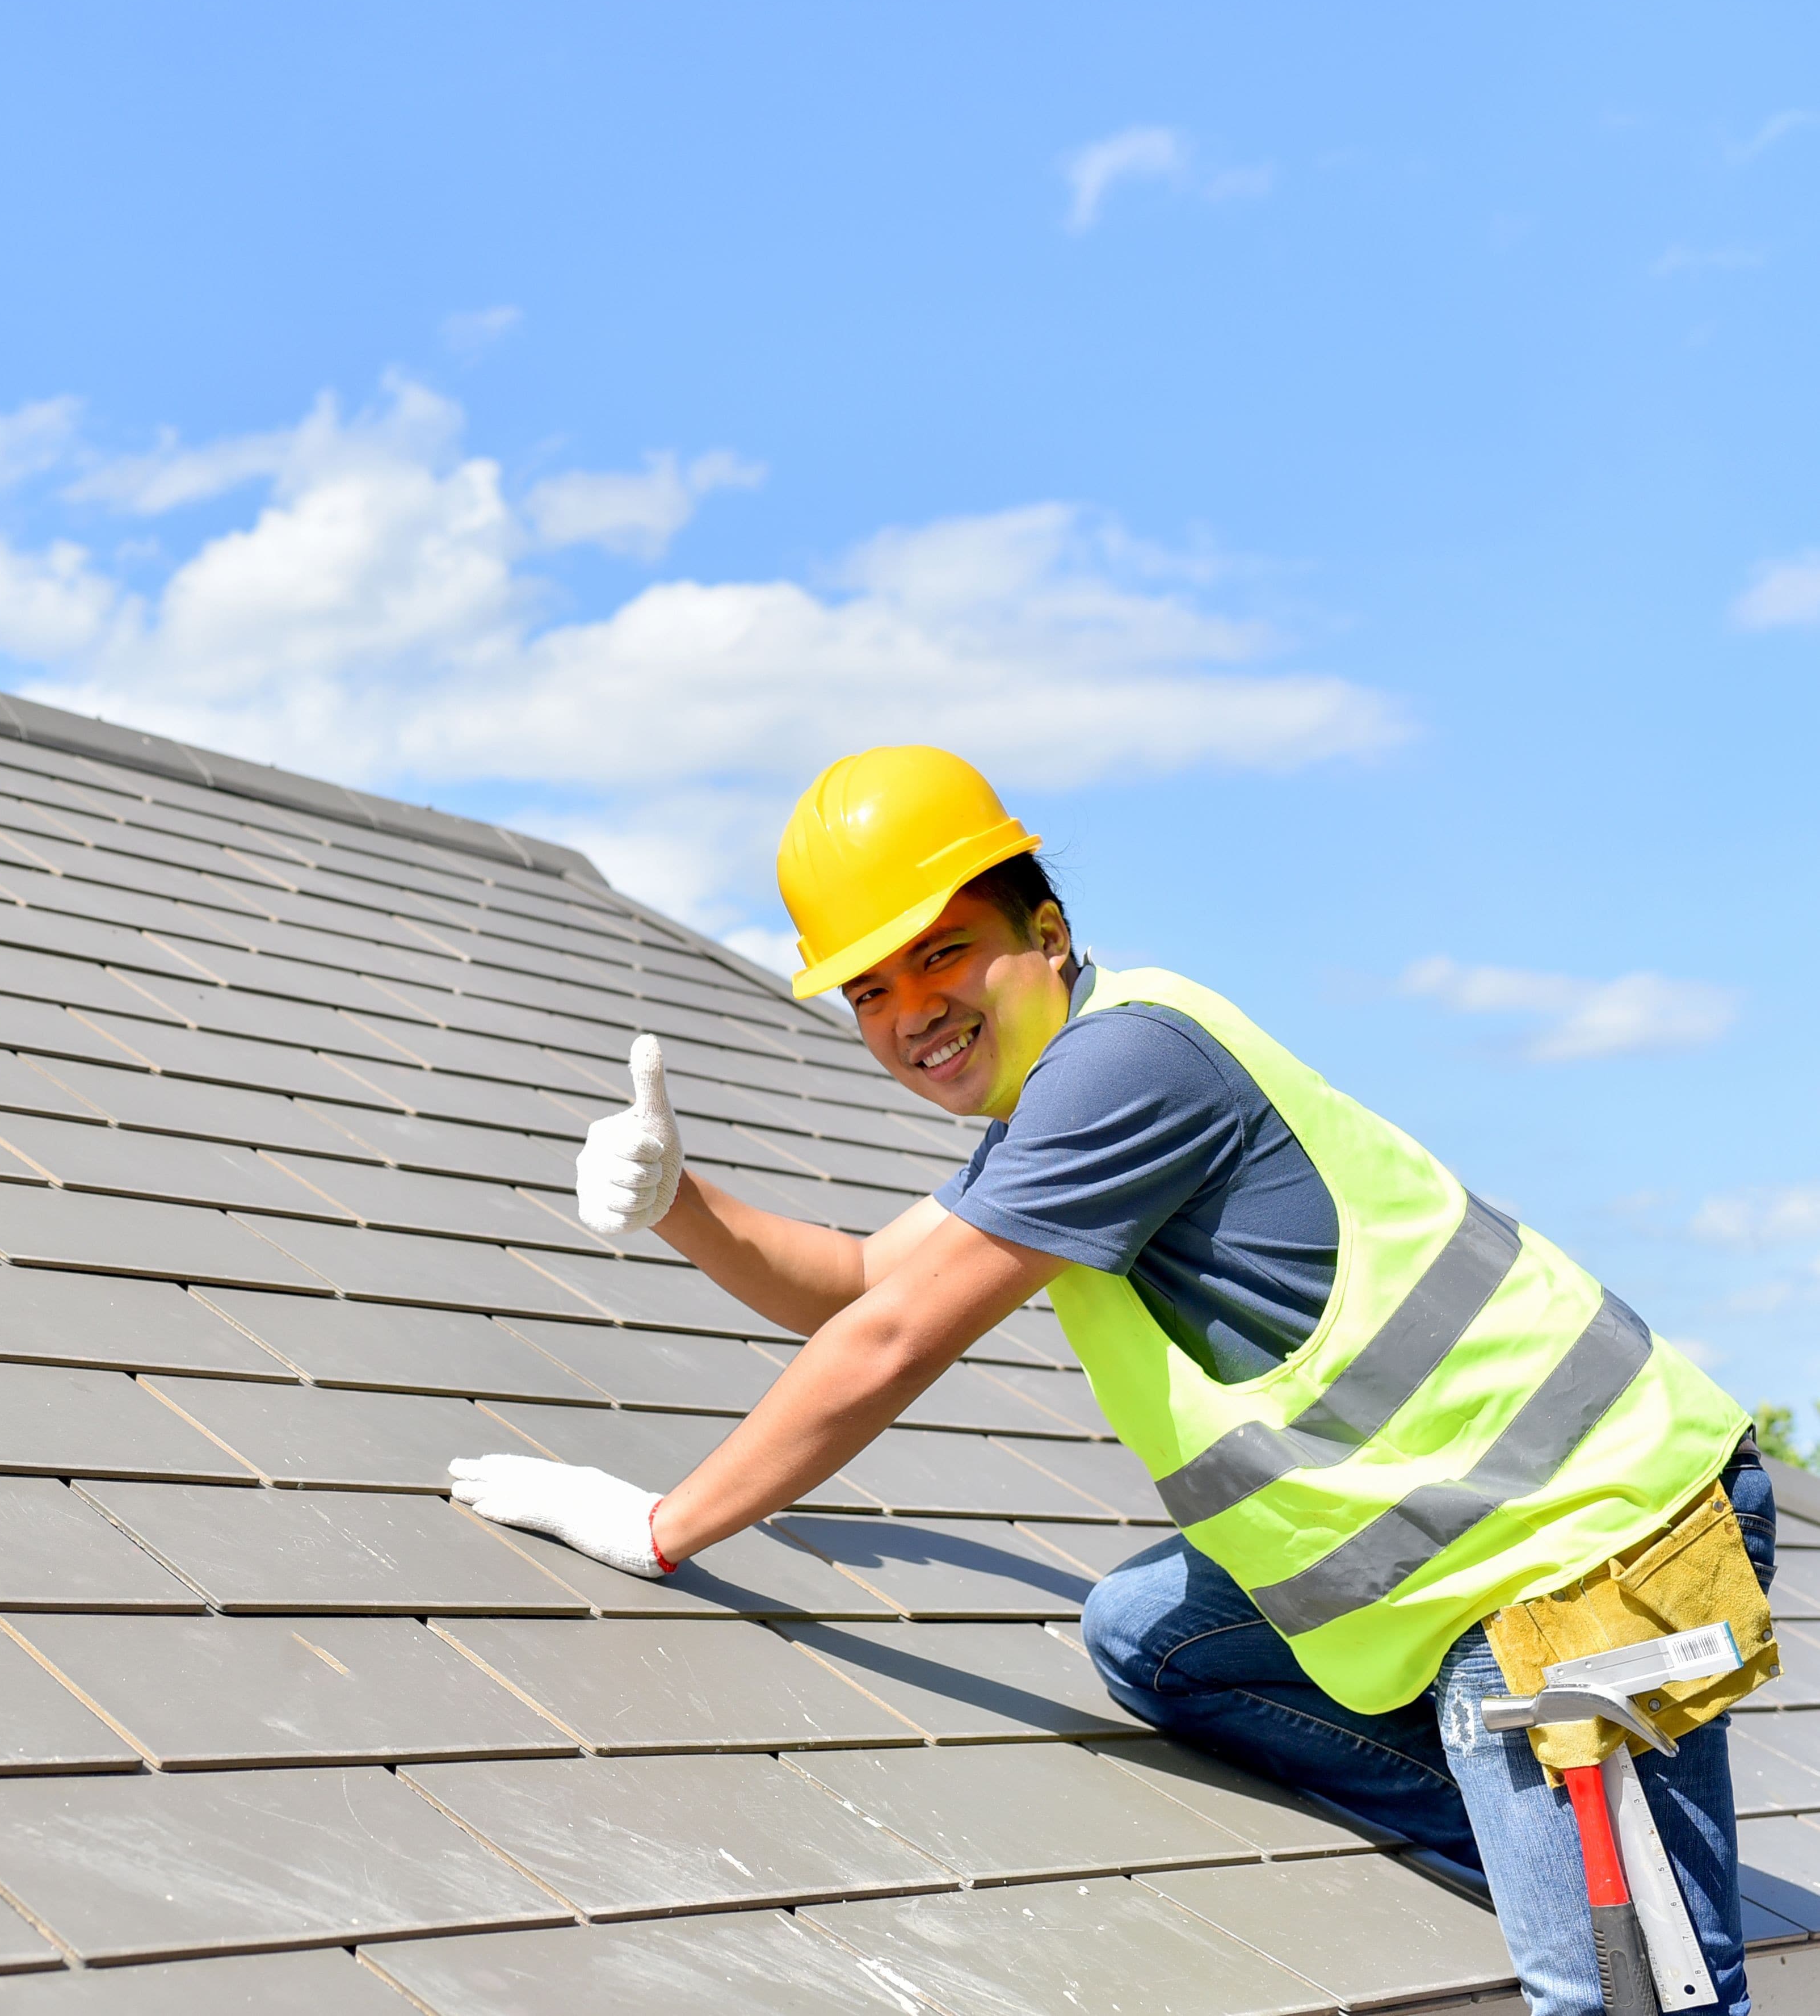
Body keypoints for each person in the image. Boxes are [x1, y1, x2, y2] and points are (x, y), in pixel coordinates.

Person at [451, 745, 1777, 2016]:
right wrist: (682, 1199)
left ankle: (1622, 1915)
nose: (912, 1013)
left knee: (1617, 1995)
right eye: (869, 991)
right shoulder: (1056, 1101)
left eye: (942, 953)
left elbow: (891, 1343)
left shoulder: (1122, 1068)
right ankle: (1570, 1848)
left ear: (1047, 932)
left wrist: (663, 1526)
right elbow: (863, 1280)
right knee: (1155, 1639)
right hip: (1461, 1549)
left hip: (1579, 1553)